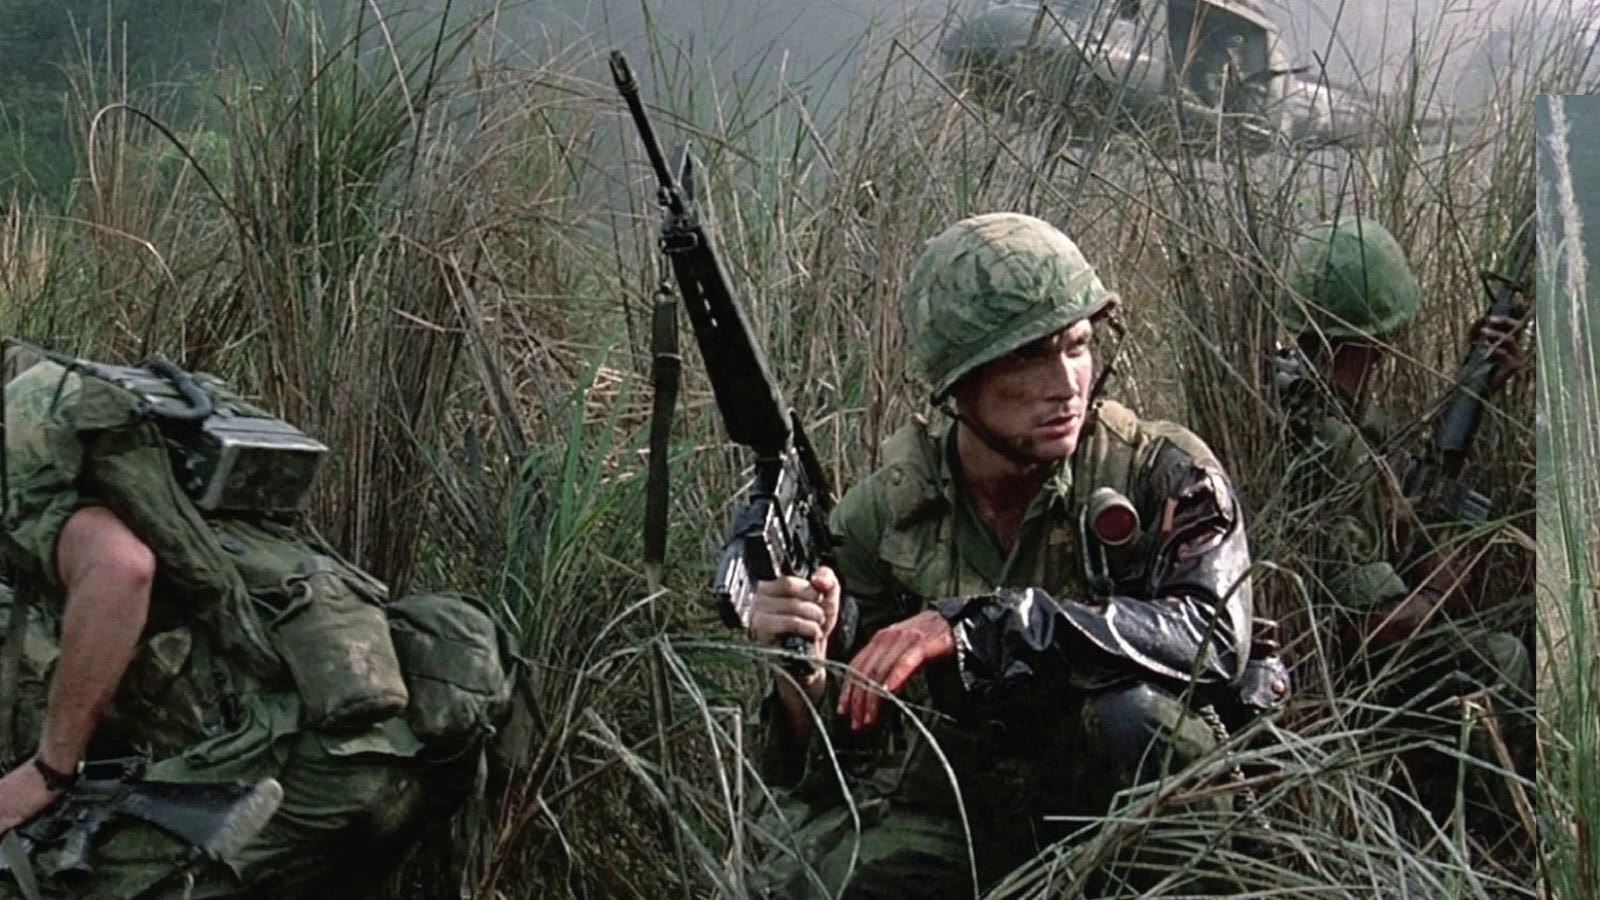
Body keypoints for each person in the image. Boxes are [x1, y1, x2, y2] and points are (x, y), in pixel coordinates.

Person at [746, 213, 1277, 898]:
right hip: (967, 816)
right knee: (809, 876)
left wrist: (992, 626)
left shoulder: (1161, 472)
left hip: (1129, 809)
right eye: (1028, 357)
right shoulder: (884, 517)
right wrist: (802, 674)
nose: (1066, 383)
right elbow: (833, 762)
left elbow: (1211, 638)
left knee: (1138, 718)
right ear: (960, 383)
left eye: (1078, 346)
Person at [0, 346, 517, 898]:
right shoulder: (126, 433)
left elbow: (122, 571)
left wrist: (49, 770)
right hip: (396, 733)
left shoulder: (28, 445)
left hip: (298, 763)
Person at [1273, 215, 1534, 831]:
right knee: (1503, 657)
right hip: (1344, 688)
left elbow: (1401, 498)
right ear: (1383, 337)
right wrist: (1443, 584)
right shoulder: (1331, 441)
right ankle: (1498, 833)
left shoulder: (1314, 403)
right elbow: (1372, 630)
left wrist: (1478, 384)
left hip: (1319, 671)